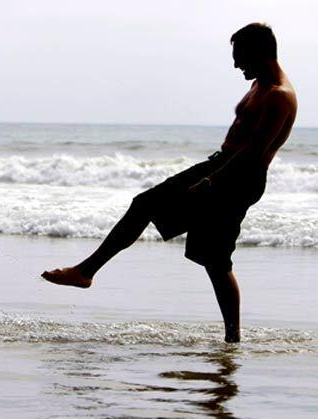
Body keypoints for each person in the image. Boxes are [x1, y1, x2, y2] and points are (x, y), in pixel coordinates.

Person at [41, 23, 297, 343]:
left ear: (261, 54)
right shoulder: (260, 84)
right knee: (214, 260)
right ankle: (233, 340)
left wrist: (209, 180)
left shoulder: (279, 97)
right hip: (222, 169)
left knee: (148, 207)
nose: (235, 65)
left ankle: (86, 272)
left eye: (240, 58)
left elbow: (253, 151)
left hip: (235, 177)